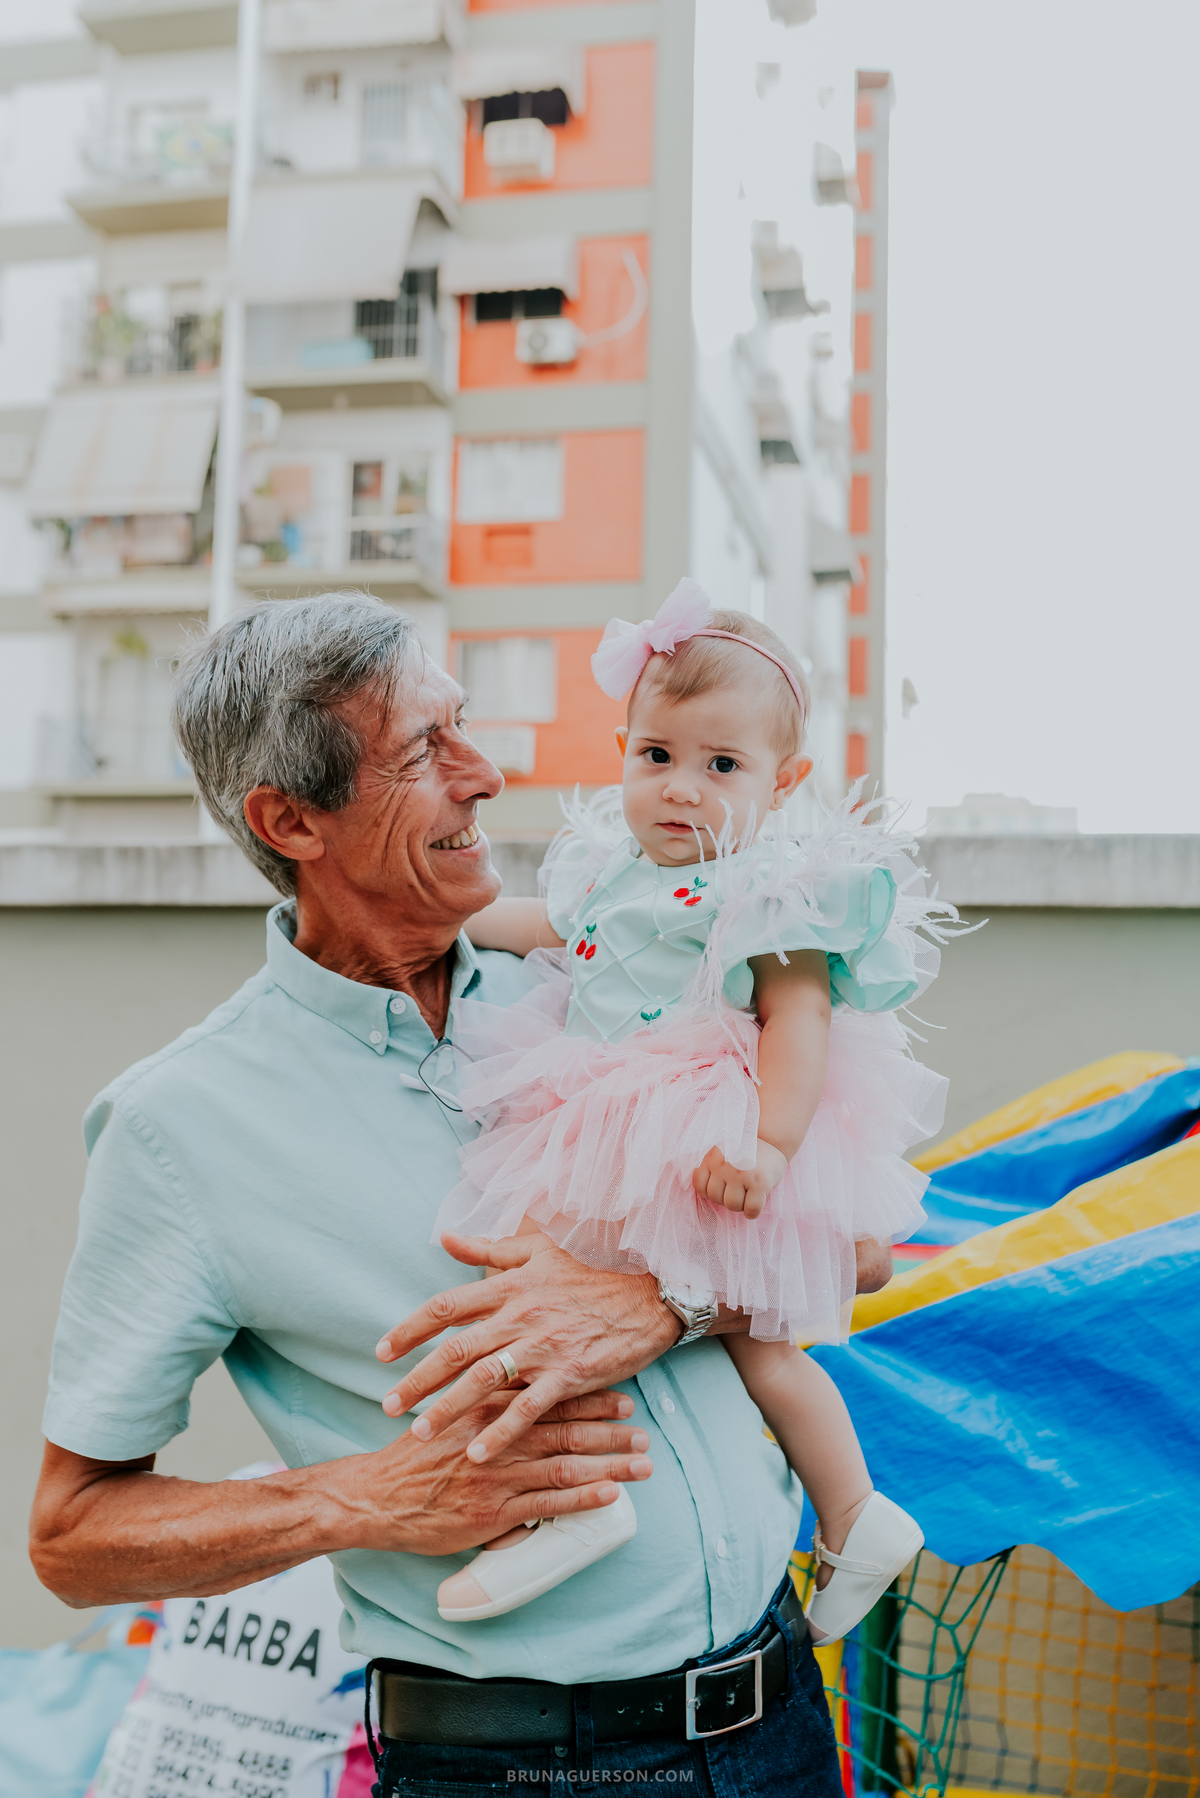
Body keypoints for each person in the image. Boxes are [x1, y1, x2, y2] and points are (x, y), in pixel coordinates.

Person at [30, 594, 854, 1797]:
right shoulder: (179, 1125)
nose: (487, 772)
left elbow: (862, 1244)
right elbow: (72, 1537)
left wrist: (667, 1301)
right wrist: (369, 1496)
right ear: (288, 819)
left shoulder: (596, 976)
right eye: (425, 749)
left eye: (462, 725)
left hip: (781, 1710)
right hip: (526, 1770)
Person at [417, 581, 953, 1642]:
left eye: (722, 766)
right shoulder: (612, 869)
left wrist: (767, 1144)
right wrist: (449, 914)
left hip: (706, 1132)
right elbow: (550, 931)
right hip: (608, 1108)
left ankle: (827, 1508)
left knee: (710, 1333)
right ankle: (795, 1510)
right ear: (622, 749)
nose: (681, 790)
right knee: (564, 1292)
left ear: (784, 781)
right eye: (656, 756)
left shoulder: (772, 889)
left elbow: (798, 1026)